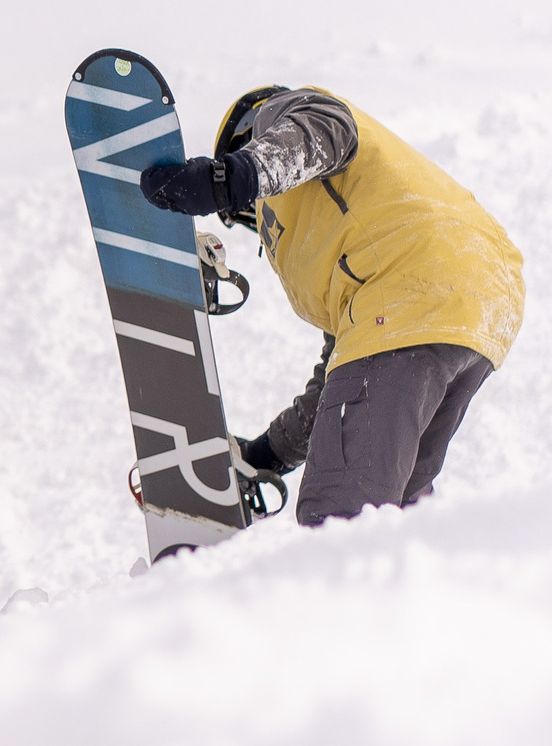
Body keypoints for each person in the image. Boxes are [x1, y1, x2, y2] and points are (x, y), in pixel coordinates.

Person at [138, 85, 524, 526]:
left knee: (341, 517)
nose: (256, 222)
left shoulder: (283, 113)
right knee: (401, 518)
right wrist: (266, 454)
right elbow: (340, 382)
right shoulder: (366, 235)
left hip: (412, 289)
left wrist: (226, 182)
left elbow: (321, 129)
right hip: (482, 310)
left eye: (249, 216)